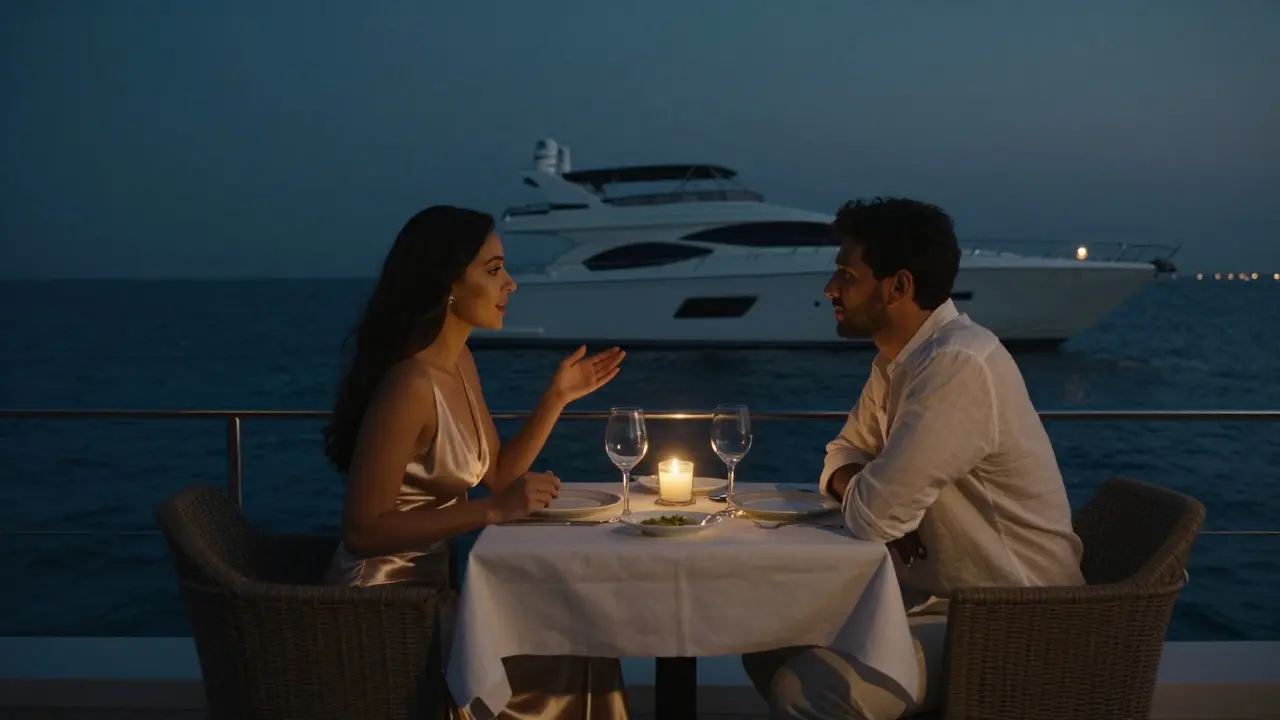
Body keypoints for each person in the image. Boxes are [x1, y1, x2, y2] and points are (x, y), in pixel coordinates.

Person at [741, 197, 1086, 719]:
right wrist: (868, 486)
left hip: (1015, 621)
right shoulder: (899, 362)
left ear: (898, 286)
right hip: (944, 602)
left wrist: (875, 498)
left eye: (846, 275)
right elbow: (840, 456)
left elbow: (875, 517)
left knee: (806, 691)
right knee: (766, 639)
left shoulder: (956, 365)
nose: (830, 289)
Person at [322, 205, 631, 719]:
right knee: (575, 659)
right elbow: (362, 531)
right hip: (382, 608)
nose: (510, 283)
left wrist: (556, 398)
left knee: (582, 643)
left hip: (434, 596)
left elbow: (499, 476)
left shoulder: (459, 363)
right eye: (493, 270)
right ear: (447, 283)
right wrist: (491, 514)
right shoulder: (411, 384)